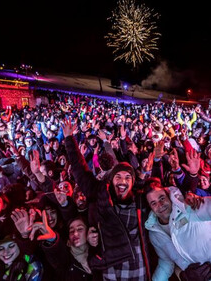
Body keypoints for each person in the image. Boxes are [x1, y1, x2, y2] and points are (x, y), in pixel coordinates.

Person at [62, 119, 153, 280]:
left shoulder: (140, 201)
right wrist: (69, 139)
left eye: (127, 177)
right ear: (111, 180)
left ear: (132, 183)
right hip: (110, 272)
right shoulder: (100, 195)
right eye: (118, 176)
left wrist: (150, 168)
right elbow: (80, 170)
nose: (122, 181)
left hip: (138, 271)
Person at [144, 179, 211, 281]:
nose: (160, 205)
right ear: (150, 208)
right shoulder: (154, 232)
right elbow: (166, 261)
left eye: (162, 198)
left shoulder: (189, 207)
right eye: (154, 203)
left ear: (169, 196)